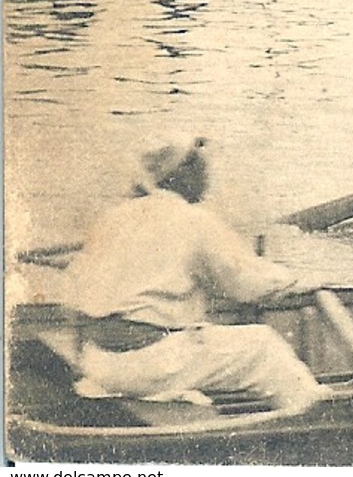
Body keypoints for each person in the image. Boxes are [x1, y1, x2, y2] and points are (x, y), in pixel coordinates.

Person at [62, 133, 325, 413]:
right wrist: (297, 280)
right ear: (181, 172)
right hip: (147, 364)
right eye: (198, 163)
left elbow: (76, 290)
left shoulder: (115, 216)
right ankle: (314, 423)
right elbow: (245, 282)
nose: (206, 172)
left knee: (202, 335)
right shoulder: (193, 219)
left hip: (99, 361)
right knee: (263, 346)